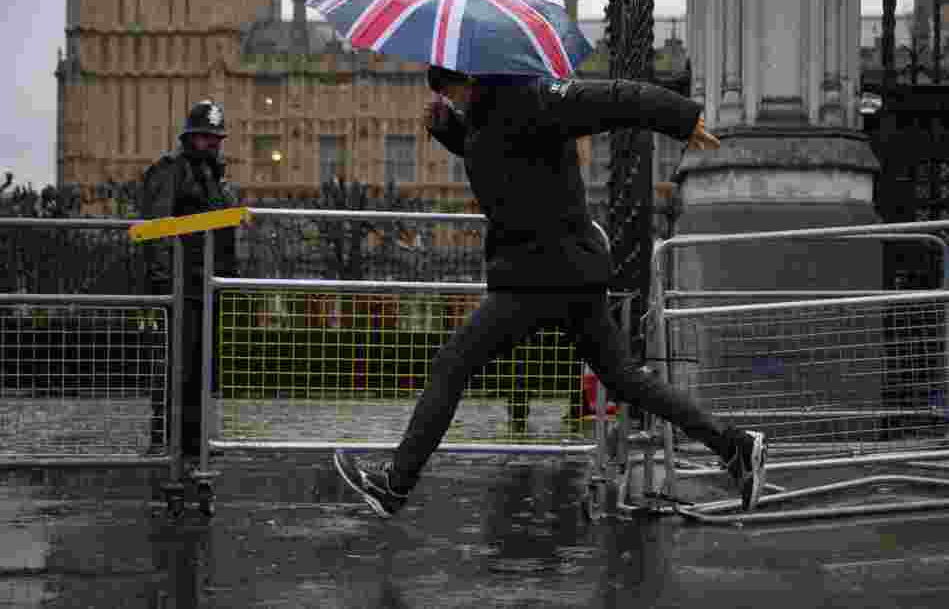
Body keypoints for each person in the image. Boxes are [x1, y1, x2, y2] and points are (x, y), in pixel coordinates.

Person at [334, 67, 767, 518]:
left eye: (448, 89)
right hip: (563, 275)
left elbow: (613, 97)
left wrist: (679, 117)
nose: (449, 98)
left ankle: (396, 484)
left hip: (539, 276)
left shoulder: (534, 98)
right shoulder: (488, 116)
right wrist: (449, 130)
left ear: (470, 77)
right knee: (625, 380)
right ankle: (735, 445)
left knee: (452, 365)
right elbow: (508, 162)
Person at [141, 99, 238, 461]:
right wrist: (162, 281)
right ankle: (165, 437)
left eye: (216, 138)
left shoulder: (214, 177)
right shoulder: (170, 170)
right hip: (179, 285)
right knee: (174, 364)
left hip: (207, 286)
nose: (212, 144)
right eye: (205, 138)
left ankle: (194, 439)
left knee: (202, 365)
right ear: (189, 137)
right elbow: (157, 226)